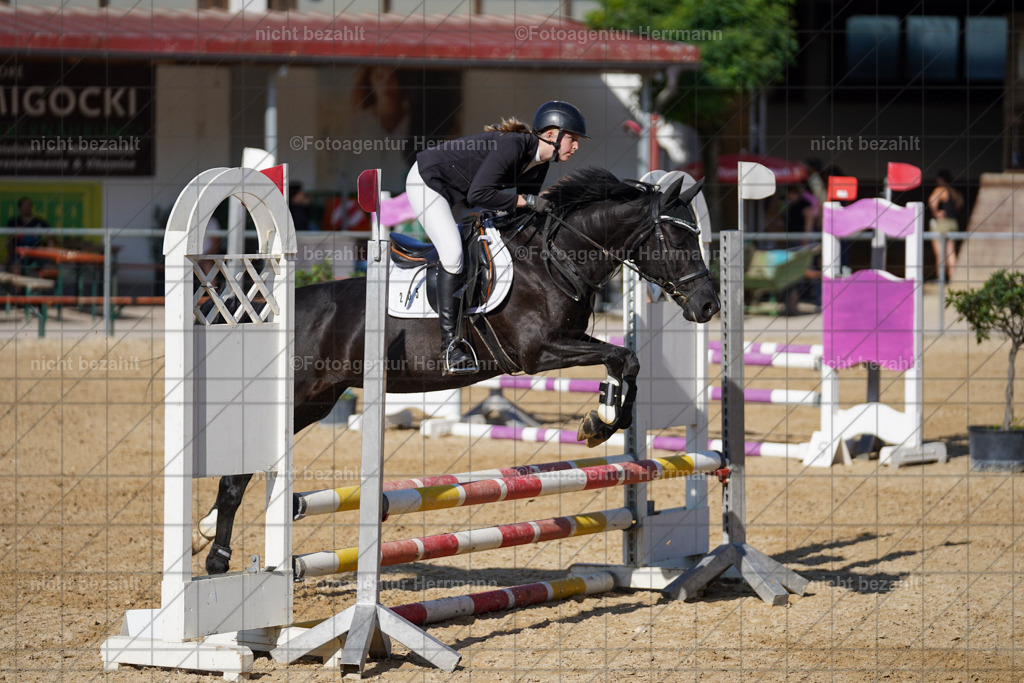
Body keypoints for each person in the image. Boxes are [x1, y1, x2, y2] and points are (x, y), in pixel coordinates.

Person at [406, 100, 587, 375]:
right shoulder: (513, 145)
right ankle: (450, 347)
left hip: (457, 194)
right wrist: (527, 200)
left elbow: (520, 211)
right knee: (453, 253)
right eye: (572, 139)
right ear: (552, 134)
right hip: (428, 183)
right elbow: (481, 195)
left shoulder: (539, 163)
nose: (575, 147)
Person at [927, 169, 964, 281]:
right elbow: (960, 204)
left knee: (940, 252)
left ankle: (940, 278)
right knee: (951, 252)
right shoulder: (954, 192)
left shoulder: (940, 189)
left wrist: (936, 212)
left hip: (941, 224)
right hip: (953, 223)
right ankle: (953, 277)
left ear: (941, 179)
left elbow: (932, 200)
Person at [6, 197, 48, 273]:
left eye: (29, 205)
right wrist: (10, 257)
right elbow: (10, 241)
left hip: (37, 255)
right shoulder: (13, 222)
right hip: (19, 255)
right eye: (24, 206)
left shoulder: (40, 222)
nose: (27, 208)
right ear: (19, 208)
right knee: (16, 267)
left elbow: (51, 238)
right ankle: (17, 285)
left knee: (46, 268)